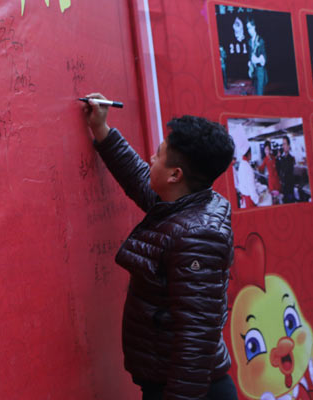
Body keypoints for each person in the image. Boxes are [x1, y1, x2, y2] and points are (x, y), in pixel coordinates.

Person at [82, 93, 237, 400]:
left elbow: (196, 339)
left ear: (175, 175)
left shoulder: (197, 238)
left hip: (188, 392)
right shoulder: (187, 203)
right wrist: (102, 129)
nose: (151, 159)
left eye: (157, 154)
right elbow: (143, 180)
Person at [246, 18, 267, 95]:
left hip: (259, 71)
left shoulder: (260, 40)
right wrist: (249, 63)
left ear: (254, 27)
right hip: (253, 71)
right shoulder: (249, 41)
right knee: (254, 93)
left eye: (250, 28)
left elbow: (264, 59)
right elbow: (250, 56)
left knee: (259, 94)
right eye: (247, 28)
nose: (249, 30)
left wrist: (257, 60)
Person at [276, 136, 296, 203]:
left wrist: (280, 158)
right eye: (283, 144)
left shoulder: (291, 158)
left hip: (289, 188)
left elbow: (286, 170)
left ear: (289, 146)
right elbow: (278, 169)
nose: (283, 146)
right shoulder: (283, 158)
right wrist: (278, 158)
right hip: (283, 188)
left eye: (285, 144)